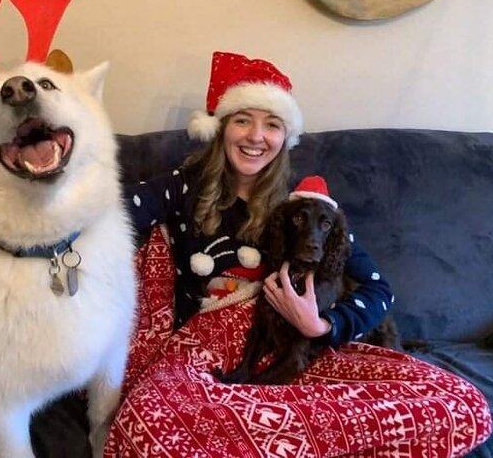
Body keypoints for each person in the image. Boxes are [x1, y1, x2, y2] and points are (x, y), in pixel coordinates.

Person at [125, 50, 394, 343]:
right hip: (201, 345)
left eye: (272, 124)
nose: (255, 136)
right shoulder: (183, 186)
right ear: (221, 128)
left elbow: (378, 290)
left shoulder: (301, 203)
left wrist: (322, 326)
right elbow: (111, 211)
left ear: (285, 137)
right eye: (242, 121)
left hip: (281, 345)